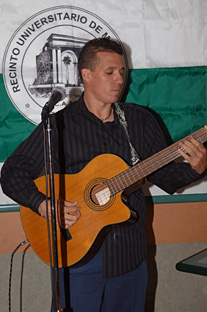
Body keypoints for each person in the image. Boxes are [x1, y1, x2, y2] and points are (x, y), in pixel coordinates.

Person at [1, 38, 207, 312]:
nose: (119, 79)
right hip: (77, 255)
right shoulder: (58, 125)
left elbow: (166, 177)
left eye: (122, 72)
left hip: (129, 257)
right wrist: (44, 205)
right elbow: (12, 172)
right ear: (86, 75)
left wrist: (198, 167)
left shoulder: (140, 121)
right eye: (110, 72)